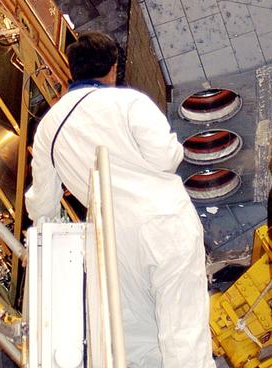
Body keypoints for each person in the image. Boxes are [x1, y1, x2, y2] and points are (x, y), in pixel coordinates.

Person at [26, 31, 214, 368]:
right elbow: (166, 158)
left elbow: (42, 205)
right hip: (164, 222)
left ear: (72, 70)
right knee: (184, 332)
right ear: (113, 68)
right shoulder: (131, 103)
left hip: (111, 242)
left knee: (134, 342)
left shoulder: (50, 127)